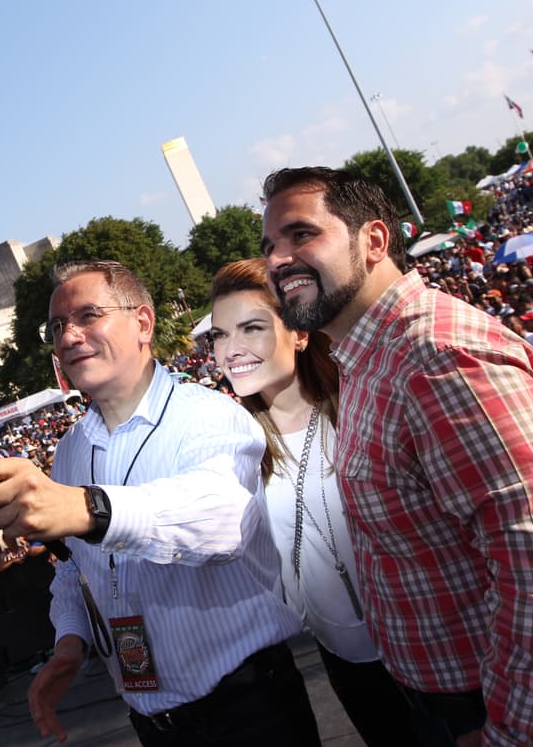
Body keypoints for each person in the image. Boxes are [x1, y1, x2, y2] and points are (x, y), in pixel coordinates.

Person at [259, 166, 533, 746]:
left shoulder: (436, 354)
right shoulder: (370, 357)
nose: (278, 260)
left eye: (301, 234)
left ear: (374, 241)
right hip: (469, 705)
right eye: (269, 246)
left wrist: (516, 731)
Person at [0, 260, 318, 747]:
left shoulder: (205, 415)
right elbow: (72, 569)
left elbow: (225, 516)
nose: (69, 336)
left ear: (143, 323)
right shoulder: (70, 451)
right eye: (57, 326)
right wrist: (70, 641)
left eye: (87, 315)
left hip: (248, 710)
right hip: (152, 721)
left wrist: (90, 510)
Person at [208, 258, 420, 747]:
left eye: (251, 328)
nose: (231, 350)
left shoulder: (361, 407)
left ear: (299, 334)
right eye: (219, 335)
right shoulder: (233, 452)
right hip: (347, 666)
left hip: (433, 648)